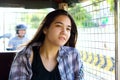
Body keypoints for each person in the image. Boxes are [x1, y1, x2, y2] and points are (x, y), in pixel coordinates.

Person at [9, 9, 84, 80]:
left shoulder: (73, 55)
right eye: (59, 26)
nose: (64, 32)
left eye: (68, 29)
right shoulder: (24, 57)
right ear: (45, 29)